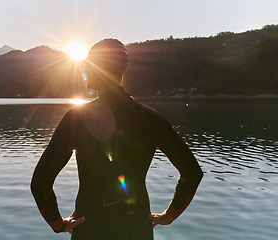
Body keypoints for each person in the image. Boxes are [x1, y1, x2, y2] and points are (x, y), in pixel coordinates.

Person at [31, 39, 203, 240]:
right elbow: (192, 173)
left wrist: (59, 224)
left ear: (96, 69)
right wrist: (169, 216)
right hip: (137, 230)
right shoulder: (152, 120)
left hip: (90, 230)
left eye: (87, 66)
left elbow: (41, 182)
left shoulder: (76, 119)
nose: (84, 72)